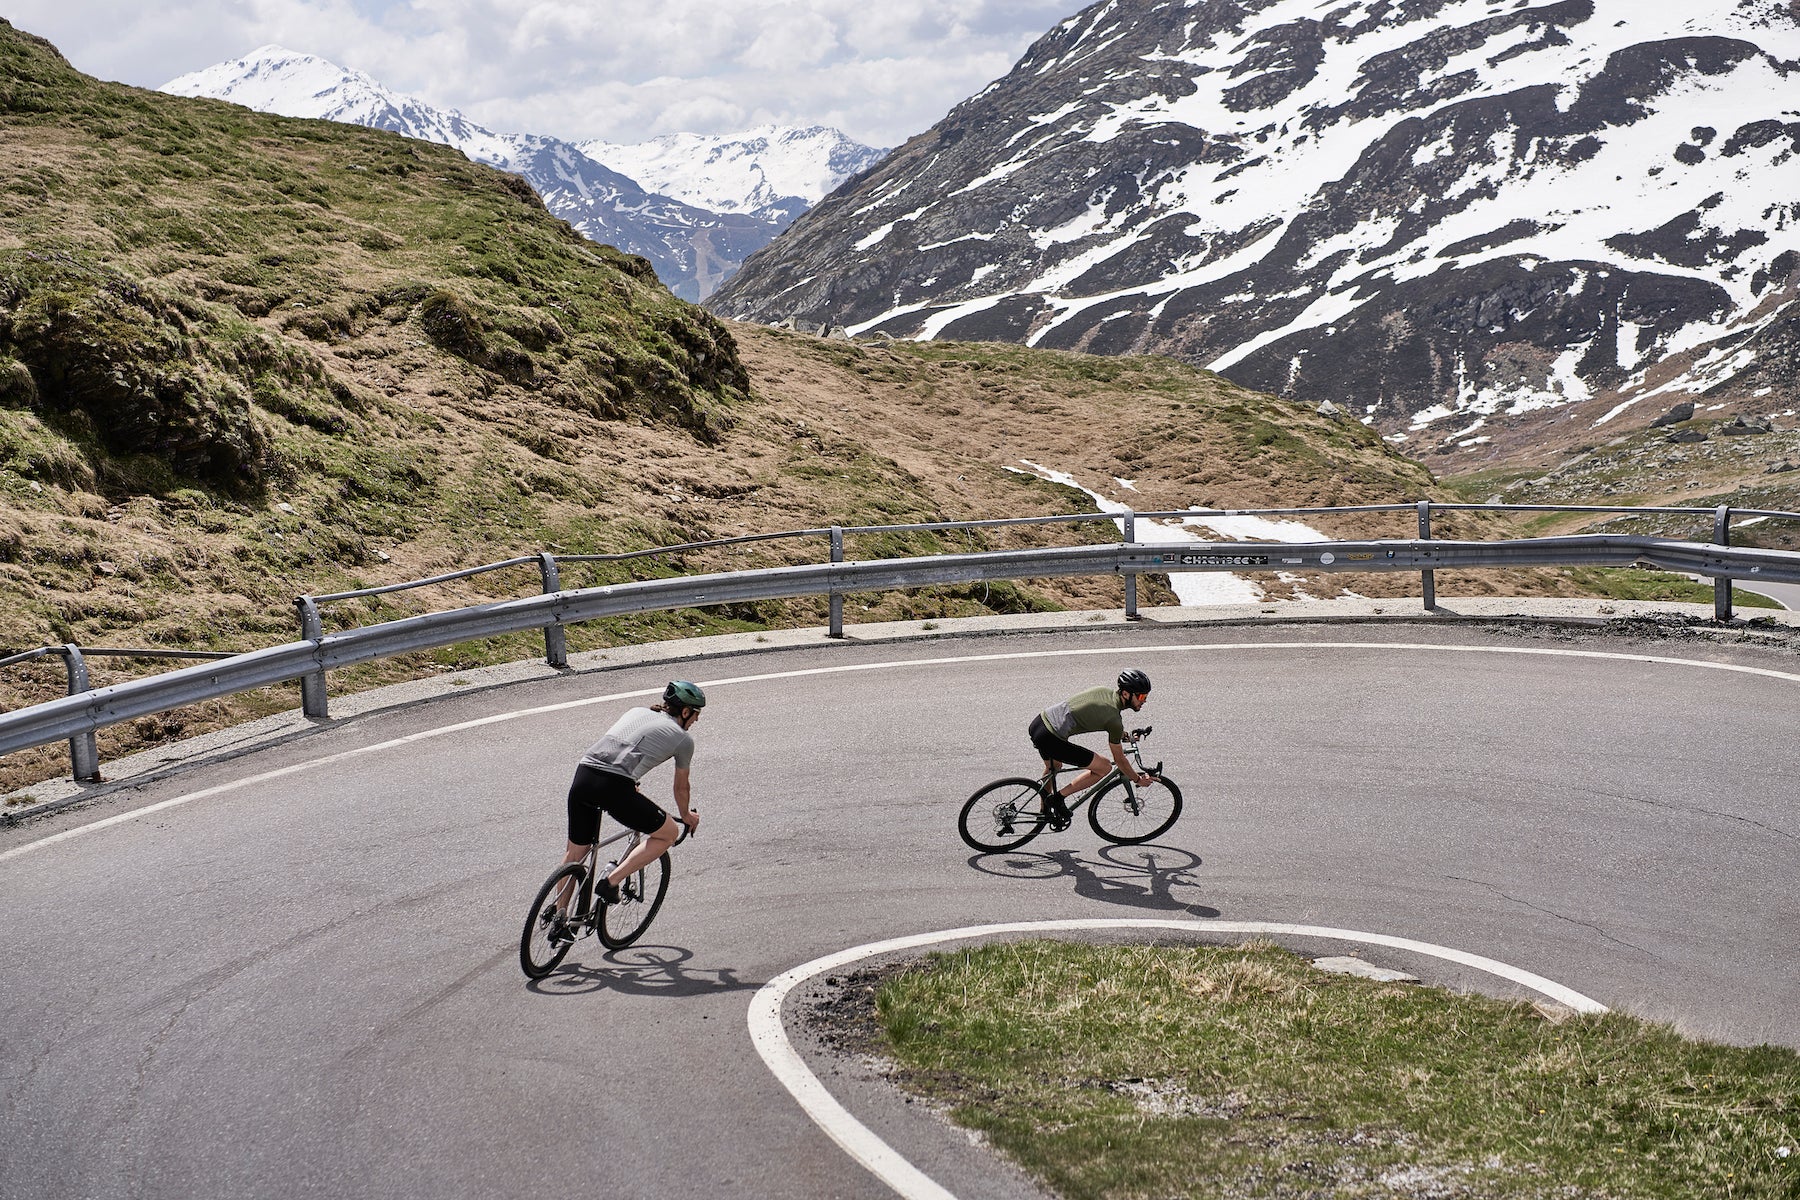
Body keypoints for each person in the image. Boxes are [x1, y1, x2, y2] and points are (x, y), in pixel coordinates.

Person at [547, 680, 705, 941]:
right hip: (614, 786)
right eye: (697, 714)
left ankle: (559, 916)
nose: (697, 721)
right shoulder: (684, 740)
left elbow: (623, 750)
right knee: (668, 833)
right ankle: (611, 881)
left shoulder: (637, 712)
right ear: (686, 712)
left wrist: (633, 786)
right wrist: (687, 815)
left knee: (576, 852)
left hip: (584, 775)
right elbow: (681, 788)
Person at [1029, 669, 1155, 829]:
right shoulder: (1114, 720)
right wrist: (1137, 779)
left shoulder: (1104, 692)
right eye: (1141, 696)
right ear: (1125, 694)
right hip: (1050, 737)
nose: (1144, 701)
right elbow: (1120, 760)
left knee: (1054, 767)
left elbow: (1095, 715)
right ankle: (1057, 799)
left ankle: (1044, 812)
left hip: (1039, 723)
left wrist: (1124, 736)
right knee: (1104, 767)